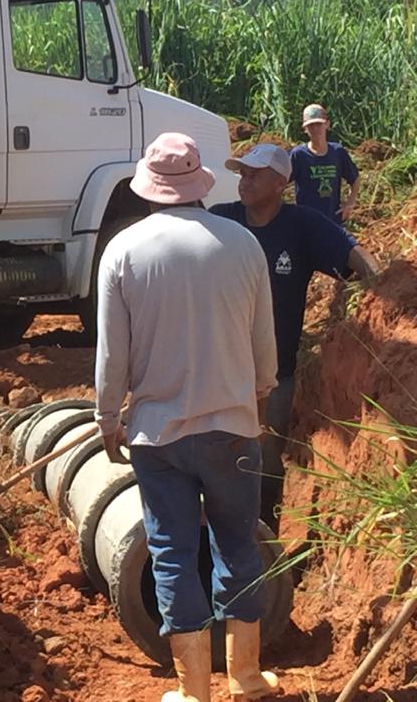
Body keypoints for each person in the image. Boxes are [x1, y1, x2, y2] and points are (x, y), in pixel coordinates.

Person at [95, 132, 280, 702]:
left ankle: (193, 690)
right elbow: (263, 349)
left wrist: (108, 420)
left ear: (150, 188)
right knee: (239, 546)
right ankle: (246, 677)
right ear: (199, 184)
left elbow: (112, 357)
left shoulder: (123, 251)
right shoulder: (242, 243)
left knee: (172, 552)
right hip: (232, 429)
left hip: (159, 435)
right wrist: (259, 400)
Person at [212, 143, 379, 533]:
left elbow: (353, 254)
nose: (244, 180)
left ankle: (263, 539)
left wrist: (382, 287)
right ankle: (219, 536)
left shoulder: (302, 225)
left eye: (254, 173)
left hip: (274, 377)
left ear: (281, 182)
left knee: (266, 461)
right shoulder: (222, 220)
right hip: (217, 372)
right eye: (242, 173)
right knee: (216, 459)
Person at [289, 103, 360, 225]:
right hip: (306, 222)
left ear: (327, 124)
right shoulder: (299, 155)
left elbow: (355, 178)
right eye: (311, 126)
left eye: (319, 124)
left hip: (332, 220)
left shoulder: (337, 152)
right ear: (305, 129)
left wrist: (350, 204)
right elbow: (279, 182)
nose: (315, 129)